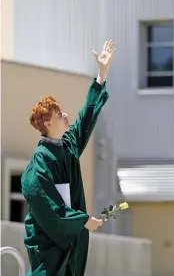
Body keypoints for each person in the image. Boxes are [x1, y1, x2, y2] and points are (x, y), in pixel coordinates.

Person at [21, 40, 115, 276]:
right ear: (47, 123)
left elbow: (86, 116)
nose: (65, 115)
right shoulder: (39, 163)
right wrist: (82, 220)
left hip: (71, 250)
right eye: (58, 113)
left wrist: (101, 75)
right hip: (50, 256)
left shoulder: (68, 146)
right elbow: (47, 205)